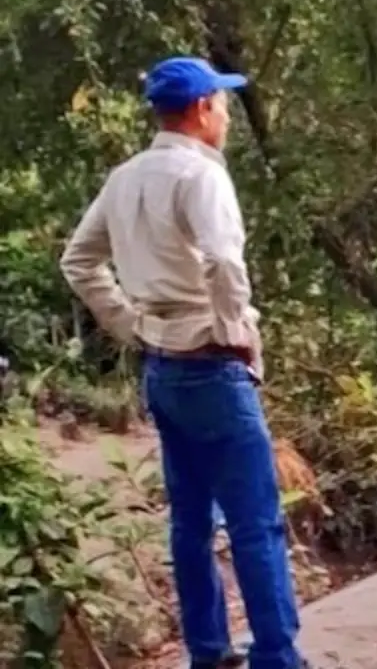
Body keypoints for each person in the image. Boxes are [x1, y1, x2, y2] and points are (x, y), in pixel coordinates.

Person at [59, 57, 307, 669]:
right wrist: (235, 334)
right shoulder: (201, 175)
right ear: (202, 110)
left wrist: (128, 321)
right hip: (211, 362)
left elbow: (79, 261)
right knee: (256, 521)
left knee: (191, 519)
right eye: (222, 104)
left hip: (162, 364)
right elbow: (224, 262)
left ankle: (207, 650)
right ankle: (277, 655)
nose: (227, 114)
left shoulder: (126, 177)